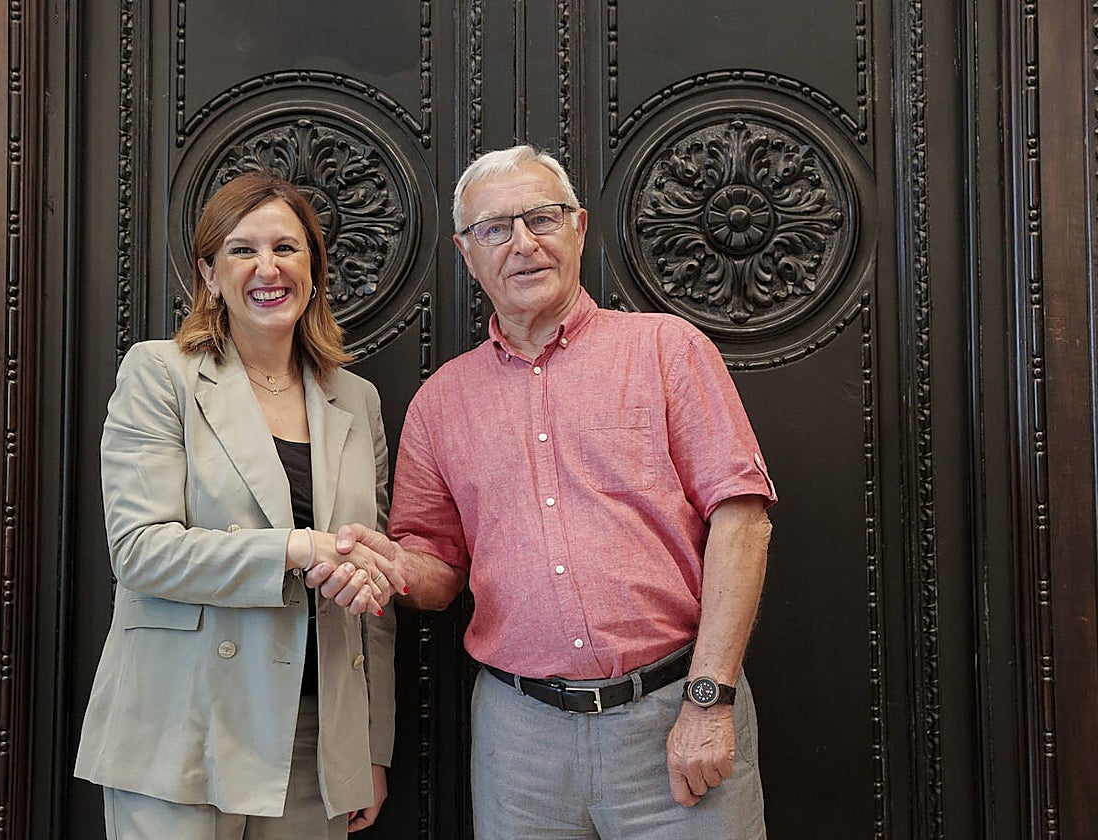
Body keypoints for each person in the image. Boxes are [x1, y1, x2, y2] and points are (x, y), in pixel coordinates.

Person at [337, 145, 777, 839]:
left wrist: (708, 699)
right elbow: (438, 573)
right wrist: (388, 566)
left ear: (576, 228)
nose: (522, 243)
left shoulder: (667, 349)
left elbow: (743, 522)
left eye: (542, 218)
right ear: (466, 252)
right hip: (521, 741)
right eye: (494, 229)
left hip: (673, 717)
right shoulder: (440, 402)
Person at [74, 172, 407, 840]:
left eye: (287, 247)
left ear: (312, 268)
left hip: (316, 741)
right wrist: (295, 547)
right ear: (208, 273)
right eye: (241, 250)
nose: (268, 268)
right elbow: (140, 552)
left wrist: (370, 747)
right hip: (184, 725)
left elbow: (371, 599)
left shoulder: (357, 401)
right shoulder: (159, 373)